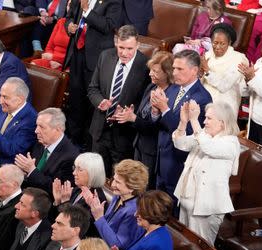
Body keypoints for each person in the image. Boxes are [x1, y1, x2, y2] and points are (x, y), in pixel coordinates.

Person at [172, 100, 240, 245]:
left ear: (223, 123)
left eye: (209, 118)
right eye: (204, 117)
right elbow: (180, 144)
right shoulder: (205, 135)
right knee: (185, 244)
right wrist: (183, 122)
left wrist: (194, 120)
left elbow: (209, 148)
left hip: (206, 208)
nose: (204, 122)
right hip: (186, 200)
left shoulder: (231, 143)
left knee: (201, 249)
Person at [88, 25, 150, 177]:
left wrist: (130, 114)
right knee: (96, 177)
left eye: (129, 48)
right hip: (99, 131)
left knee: (119, 181)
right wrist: (100, 102)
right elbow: (93, 89)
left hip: (124, 136)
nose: (124, 53)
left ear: (138, 45)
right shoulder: (105, 56)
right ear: (116, 42)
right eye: (121, 47)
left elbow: (145, 104)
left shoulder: (146, 66)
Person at [150, 49, 212, 199]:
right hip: (162, 157)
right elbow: (161, 122)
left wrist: (164, 108)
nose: (174, 73)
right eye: (174, 68)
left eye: (180, 69)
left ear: (194, 70)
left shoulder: (202, 97)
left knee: (172, 210)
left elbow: (186, 134)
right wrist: (155, 111)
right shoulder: (174, 88)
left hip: (178, 162)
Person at [64, 0, 122, 149]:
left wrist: (87, 11)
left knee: (92, 102)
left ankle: (87, 145)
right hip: (77, 53)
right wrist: (69, 26)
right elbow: (70, 15)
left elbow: (108, 26)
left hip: (96, 58)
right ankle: (72, 141)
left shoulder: (113, 2)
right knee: (75, 98)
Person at [112, 51, 174, 189]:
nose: (151, 73)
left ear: (167, 73)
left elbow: (157, 127)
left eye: (156, 71)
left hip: (152, 151)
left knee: (144, 187)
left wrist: (133, 118)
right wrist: (130, 114)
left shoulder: (170, 95)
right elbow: (142, 116)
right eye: (151, 69)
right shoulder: (151, 87)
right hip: (139, 144)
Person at [83, 159, 148, 250]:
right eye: (114, 179)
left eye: (118, 182)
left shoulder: (135, 212)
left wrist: (99, 217)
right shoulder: (118, 196)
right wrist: (93, 206)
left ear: (132, 187)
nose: (112, 184)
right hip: (99, 246)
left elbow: (118, 246)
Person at [14, 107, 80, 195]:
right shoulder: (40, 143)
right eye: (37, 125)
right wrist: (24, 173)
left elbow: (57, 189)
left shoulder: (71, 156)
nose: (36, 131)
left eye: (41, 127)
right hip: (27, 192)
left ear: (58, 129)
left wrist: (31, 171)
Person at [51, 152, 106, 236]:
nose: (74, 173)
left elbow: (77, 230)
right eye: (74, 168)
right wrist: (58, 201)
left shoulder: (97, 199)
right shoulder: (78, 190)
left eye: (79, 170)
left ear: (92, 173)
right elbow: (55, 222)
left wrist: (65, 203)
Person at [201, 24, 249, 113]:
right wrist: (200, 73)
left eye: (222, 44)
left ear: (229, 42)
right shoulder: (208, 55)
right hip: (204, 101)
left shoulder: (239, 58)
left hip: (225, 104)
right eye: (215, 43)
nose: (218, 47)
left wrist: (207, 71)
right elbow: (200, 82)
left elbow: (224, 86)